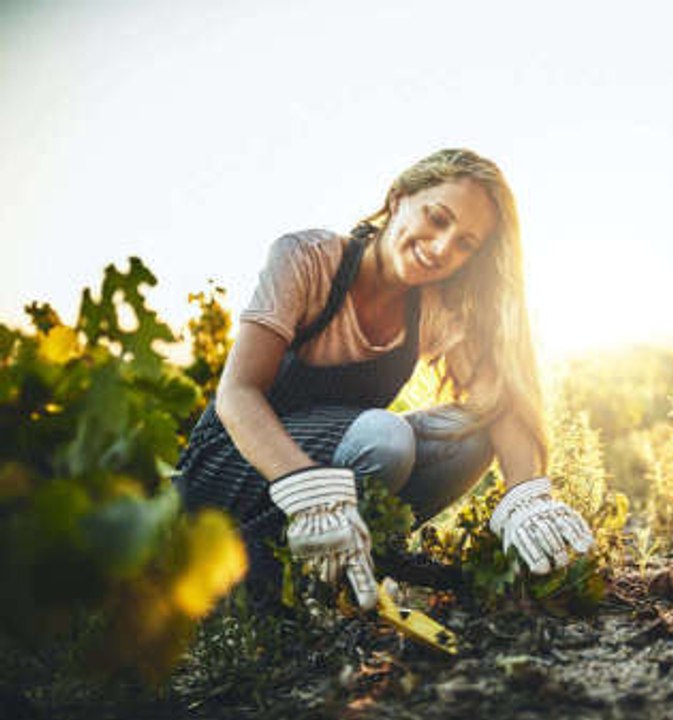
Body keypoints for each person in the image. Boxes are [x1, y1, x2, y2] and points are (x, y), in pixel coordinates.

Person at [175, 148, 594, 611]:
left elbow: (499, 398)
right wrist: (308, 489)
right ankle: (248, 585)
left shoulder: (436, 306)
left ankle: (336, 578)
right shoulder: (307, 259)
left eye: (464, 244)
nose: (441, 248)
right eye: (437, 219)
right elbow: (237, 395)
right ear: (397, 198)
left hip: (332, 470)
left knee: (470, 437)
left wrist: (525, 493)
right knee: (386, 437)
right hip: (224, 466)